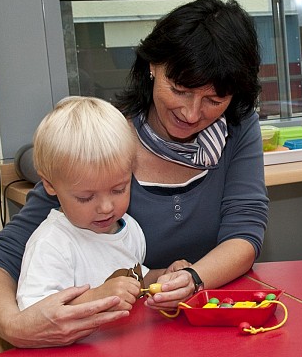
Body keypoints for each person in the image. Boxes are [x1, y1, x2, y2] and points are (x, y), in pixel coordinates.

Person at [0, 0, 268, 350]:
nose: (191, 112)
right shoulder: (105, 139)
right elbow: (5, 254)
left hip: (200, 330)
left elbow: (245, 233)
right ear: (153, 66)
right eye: (180, 90)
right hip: (119, 339)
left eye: (213, 100)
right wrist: (11, 324)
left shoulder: (238, 127)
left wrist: (193, 278)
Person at [16, 96, 191, 311]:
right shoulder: (52, 244)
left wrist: (165, 276)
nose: (107, 207)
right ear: (50, 185)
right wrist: (96, 296)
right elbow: (32, 310)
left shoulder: (128, 229)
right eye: (86, 197)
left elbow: (136, 281)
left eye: (119, 190)